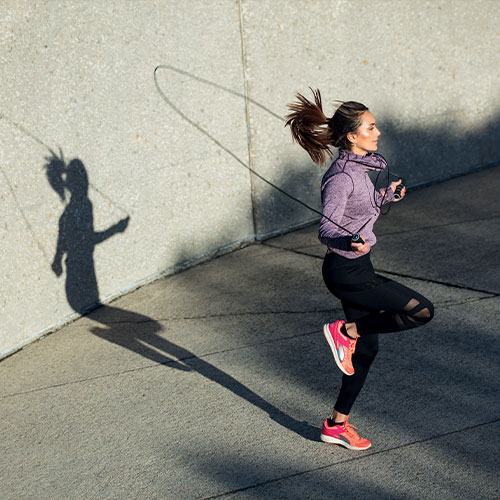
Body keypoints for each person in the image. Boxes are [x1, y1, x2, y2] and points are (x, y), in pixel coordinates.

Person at [285, 89, 434, 450]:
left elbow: (359, 210)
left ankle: (336, 425)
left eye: (375, 125)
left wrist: (384, 198)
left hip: (356, 267)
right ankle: (345, 330)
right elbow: (327, 228)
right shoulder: (341, 177)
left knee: (366, 353)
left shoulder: (362, 169)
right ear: (352, 136)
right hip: (347, 272)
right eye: (371, 127)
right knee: (421, 310)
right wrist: (348, 240)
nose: (378, 132)